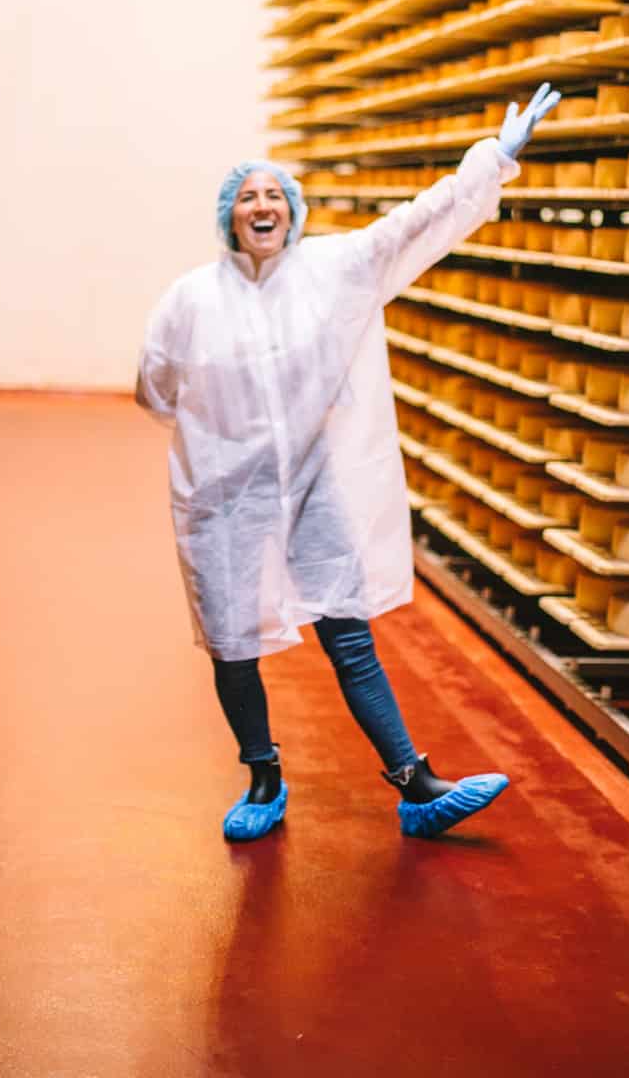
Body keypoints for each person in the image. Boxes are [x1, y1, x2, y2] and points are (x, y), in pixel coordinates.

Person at [136, 84, 561, 842]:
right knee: (233, 645)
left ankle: (415, 784)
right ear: (228, 217)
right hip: (222, 496)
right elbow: (156, 386)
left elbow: (416, 223)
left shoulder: (338, 269)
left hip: (313, 484)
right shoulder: (191, 298)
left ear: (292, 211)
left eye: (275, 194)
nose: (262, 205)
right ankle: (263, 775)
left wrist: (494, 158)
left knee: (348, 629)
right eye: (247, 198)